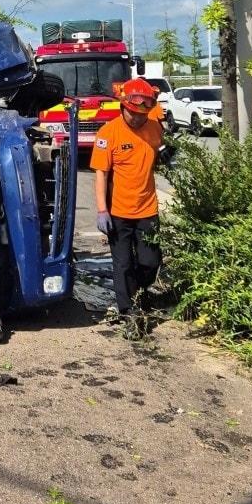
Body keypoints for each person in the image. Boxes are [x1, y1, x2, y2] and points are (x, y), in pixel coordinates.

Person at [89, 77, 164, 337]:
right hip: (118, 213)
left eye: (142, 115)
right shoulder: (108, 134)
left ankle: (139, 292)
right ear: (123, 107)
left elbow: (160, 153)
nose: (137, 119)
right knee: (122, 264)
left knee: (150, 262)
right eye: (133, 113)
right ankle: (127, 311)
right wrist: (102, 210)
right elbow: (101, 173)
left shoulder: (155, 128)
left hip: (148, 210)